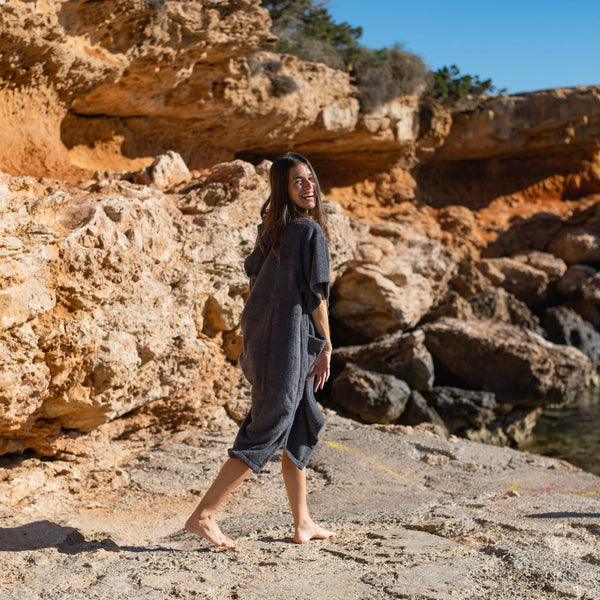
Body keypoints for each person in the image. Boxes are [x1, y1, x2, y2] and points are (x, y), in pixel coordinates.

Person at [185, 152, 337, 548]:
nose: (308, 188)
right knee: (272, 422)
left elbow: (258, 279)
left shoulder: (273, 229)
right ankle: (203, 515)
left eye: (309, 179)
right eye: (297, 183)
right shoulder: (308, 233)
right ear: (283, 191)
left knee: (300, 419)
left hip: (272, 335)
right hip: (285, 341)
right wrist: (327, 346)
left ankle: (302, 522)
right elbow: (317, 296)